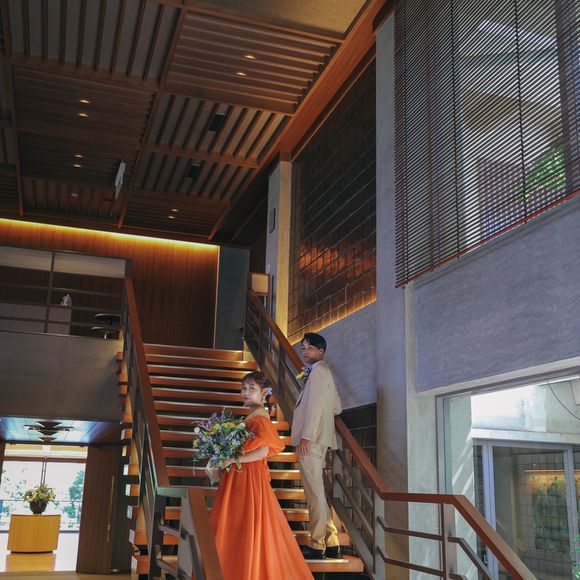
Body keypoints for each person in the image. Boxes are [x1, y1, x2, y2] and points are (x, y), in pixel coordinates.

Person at [210, 371, 313, 580]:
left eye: (252, 388)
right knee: (238, 524)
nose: (246, 392)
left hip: (248, 476)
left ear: (264, 393)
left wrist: (232, 459)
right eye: (243, 388)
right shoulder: (253, 416)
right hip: (242, 474)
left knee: (245, 523)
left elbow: (264, 450)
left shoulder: (260, 417)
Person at [291, 332, 343, 560]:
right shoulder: (323, 373)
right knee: (317, 492)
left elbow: (315, 407)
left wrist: (307, 436)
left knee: (314, 494)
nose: (305, 351)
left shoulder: (318, 373)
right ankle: (331, 542)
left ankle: (316, 543)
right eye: (303, 348)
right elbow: (337, 407)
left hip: (310, 441)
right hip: (318, 440)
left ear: (321, 351)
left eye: (310, 348)